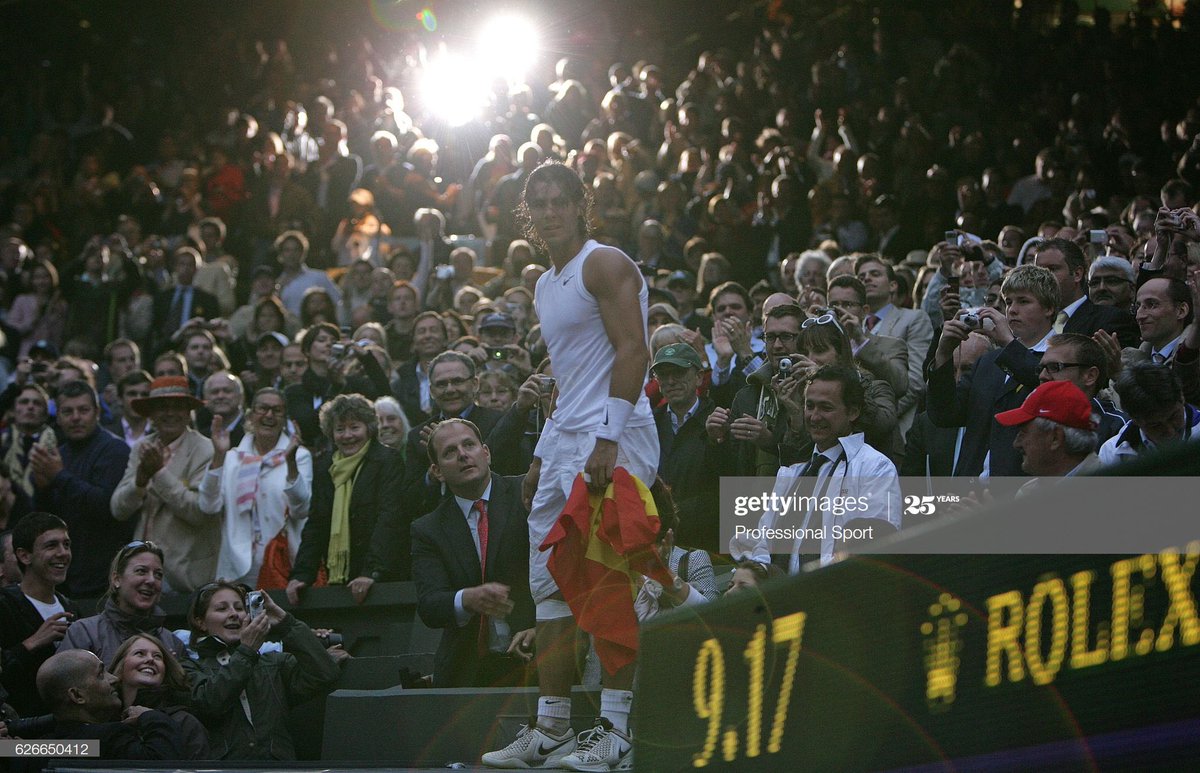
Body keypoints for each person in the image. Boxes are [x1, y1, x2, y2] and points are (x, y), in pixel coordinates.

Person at [482, 161, 658, 771]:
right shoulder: (543, 283)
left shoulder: (603, 263)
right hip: (563, 441)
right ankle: (554, 727)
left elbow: (635, 349)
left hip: (614, 433)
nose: (552, 211)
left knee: (608, 575)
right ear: (529, 211)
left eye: (563, 200)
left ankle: (617, 729)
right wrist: (541, 454)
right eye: (541, 202)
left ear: (580, 204)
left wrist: (606, 440)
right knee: (549, 584)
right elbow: (570, 371)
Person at [730, 364, 902, 572]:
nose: (814, 416)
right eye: (809, 406)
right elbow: (763, 543)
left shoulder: (874, 468)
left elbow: (876, 550)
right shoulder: (792, 471)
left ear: (853, 412)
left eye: (826, 408)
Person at [411, 419, 535, 688]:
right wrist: (467, 598)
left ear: (486, 453)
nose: (463, 455)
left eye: (469, 444)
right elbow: (430, 606)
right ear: (437, 471)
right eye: (450, 451)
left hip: (537, 656)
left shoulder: (526, 493)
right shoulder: (427, 529)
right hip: (467, 670)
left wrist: (544, 629)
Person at [926, 265, 1060, 478]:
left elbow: (1046, 388)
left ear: (1049, 308)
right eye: (1008, 302)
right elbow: (945, 415)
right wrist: (943, 354)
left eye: (1023, 301)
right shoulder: (988, 362)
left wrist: (1008, 344)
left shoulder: (1062, 356)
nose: (1012, 310)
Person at [182, 582, 339, 760]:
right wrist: (247, 650)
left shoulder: (272, 663)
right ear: (200, 621)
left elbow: (324, 673)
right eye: (222, 609)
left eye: (239, 607)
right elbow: (210, 703)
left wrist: (285, 623)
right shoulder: (189, 668)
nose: (233, 614)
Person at [289, 394, 407, 603]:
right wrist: (301, 575)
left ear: (368, 428)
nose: (347, 435)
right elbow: (316, 523)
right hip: (340, 580)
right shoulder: (326, 465)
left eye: (354, 427)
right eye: (340, 429)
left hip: (382, 577)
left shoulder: (388, 460)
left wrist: (371, 572)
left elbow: (390, 520)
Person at [111, 376, 218, 593]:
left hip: (184, 576)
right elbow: (118, 509)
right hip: (139, 573)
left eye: (177, 406)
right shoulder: (142, 446)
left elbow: (198, 512)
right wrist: (139, 482)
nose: (170, 413)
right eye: (162, 407)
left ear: (188, 412)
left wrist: (159, 473)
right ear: (151, 414)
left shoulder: (206, 449)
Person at [200, 388, 312, 589]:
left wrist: (291, 464)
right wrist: (218, 456)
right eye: (263, 408)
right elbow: (208, 506)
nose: (269, 415)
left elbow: (301, 510)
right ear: (251, 414)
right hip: (237, 569)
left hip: (282, 564)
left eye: (276, 410)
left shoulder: (300, 456)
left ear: (284, 417)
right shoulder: (232, 457)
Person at [30, 380, 132, 598]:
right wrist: (43, 488)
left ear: (96, 412)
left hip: (104, 576)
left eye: (83, 410)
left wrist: (58, 476)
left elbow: (105, 507)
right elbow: (46, 518)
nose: (76, 417)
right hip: (64, 575)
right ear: (58, 417)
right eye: (67, 411)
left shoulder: (115, 450)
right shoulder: (59, 454)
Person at [31, 649, 184, 760]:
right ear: (77, 695)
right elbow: (162, 762)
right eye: (101, 675)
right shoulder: (108, 738)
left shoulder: (35, 750)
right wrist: (151, 717)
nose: (114, 679)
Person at [58, 540, 188, 666]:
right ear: (116, 579)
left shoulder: (173, 643)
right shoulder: (84, 634)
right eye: (141, 571)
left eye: (158, 574)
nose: (151, 580)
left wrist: (172, 671)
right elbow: (64, 684)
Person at [0, 513, 76, 716]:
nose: (63, 553)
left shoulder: (71, 608)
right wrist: (32, 643)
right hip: (22, 737)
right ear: (24, 556)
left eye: (66, 544)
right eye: (51, 546)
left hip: (69, 734)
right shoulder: (4, 605)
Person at [649, 343, 720, 552]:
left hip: (706, 543)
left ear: (698, 377)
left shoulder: (719, 420)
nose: (671, 381)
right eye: (663, 375)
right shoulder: (650, 424)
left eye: (679, 372)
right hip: (659, 542)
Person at [854, 254, 932, 436]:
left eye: (875, 273)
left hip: (898, 427)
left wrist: (880, 414)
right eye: (861, 276)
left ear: (893, 285)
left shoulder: (914, 319)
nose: (867, 278)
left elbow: (916, 380)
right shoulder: (850, 325)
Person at [106, 634, 209, 758]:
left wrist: (150, 718)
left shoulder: (184, 722)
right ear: (120, 665)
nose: (150, 659)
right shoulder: (102, 719)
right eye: (140, 653)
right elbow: (81, 751)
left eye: (157, 656)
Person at [995, 381, 1102, 495]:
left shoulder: (1106, 493)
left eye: (1023, 433)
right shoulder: (1029, 491)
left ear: (1055, 438)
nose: (1016, 444)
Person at [1100, 362, 1200, 465]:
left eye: (1173, 417)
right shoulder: (1111, 455)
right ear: (1134, 419)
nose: (1170, 431)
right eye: (1155, 425)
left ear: (1182, 398)